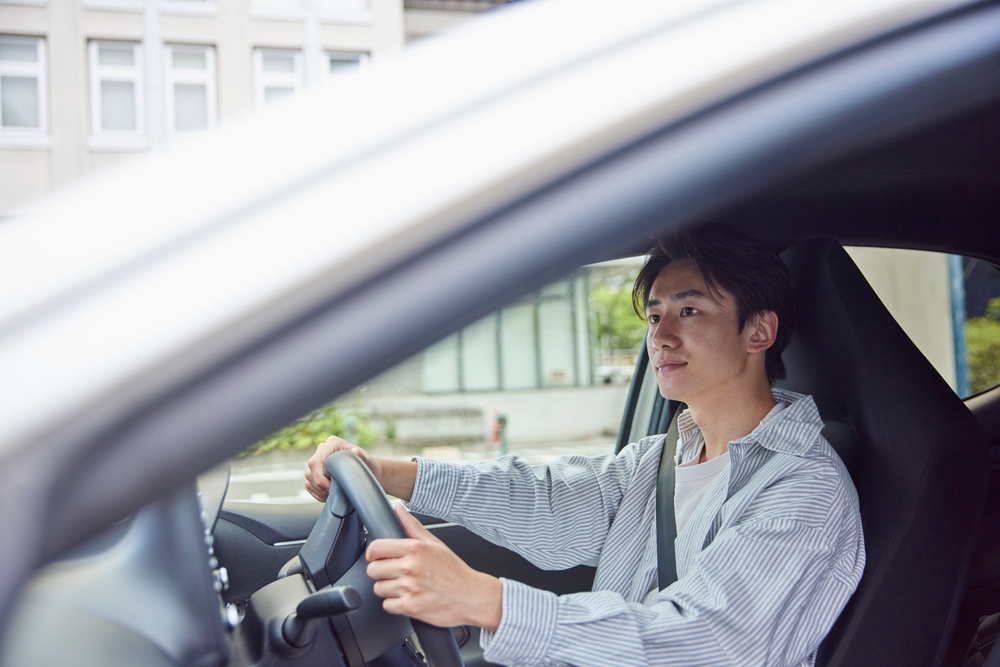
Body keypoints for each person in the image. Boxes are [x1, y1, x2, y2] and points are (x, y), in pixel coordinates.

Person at [304, 225, 865, 667]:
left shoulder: (804, 488)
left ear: (758, 332)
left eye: (689, 311)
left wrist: (484, 600)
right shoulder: (659, 459)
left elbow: (705, 643)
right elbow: (546, 500)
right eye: (655, 315)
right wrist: (389, 474)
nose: (660, 336)